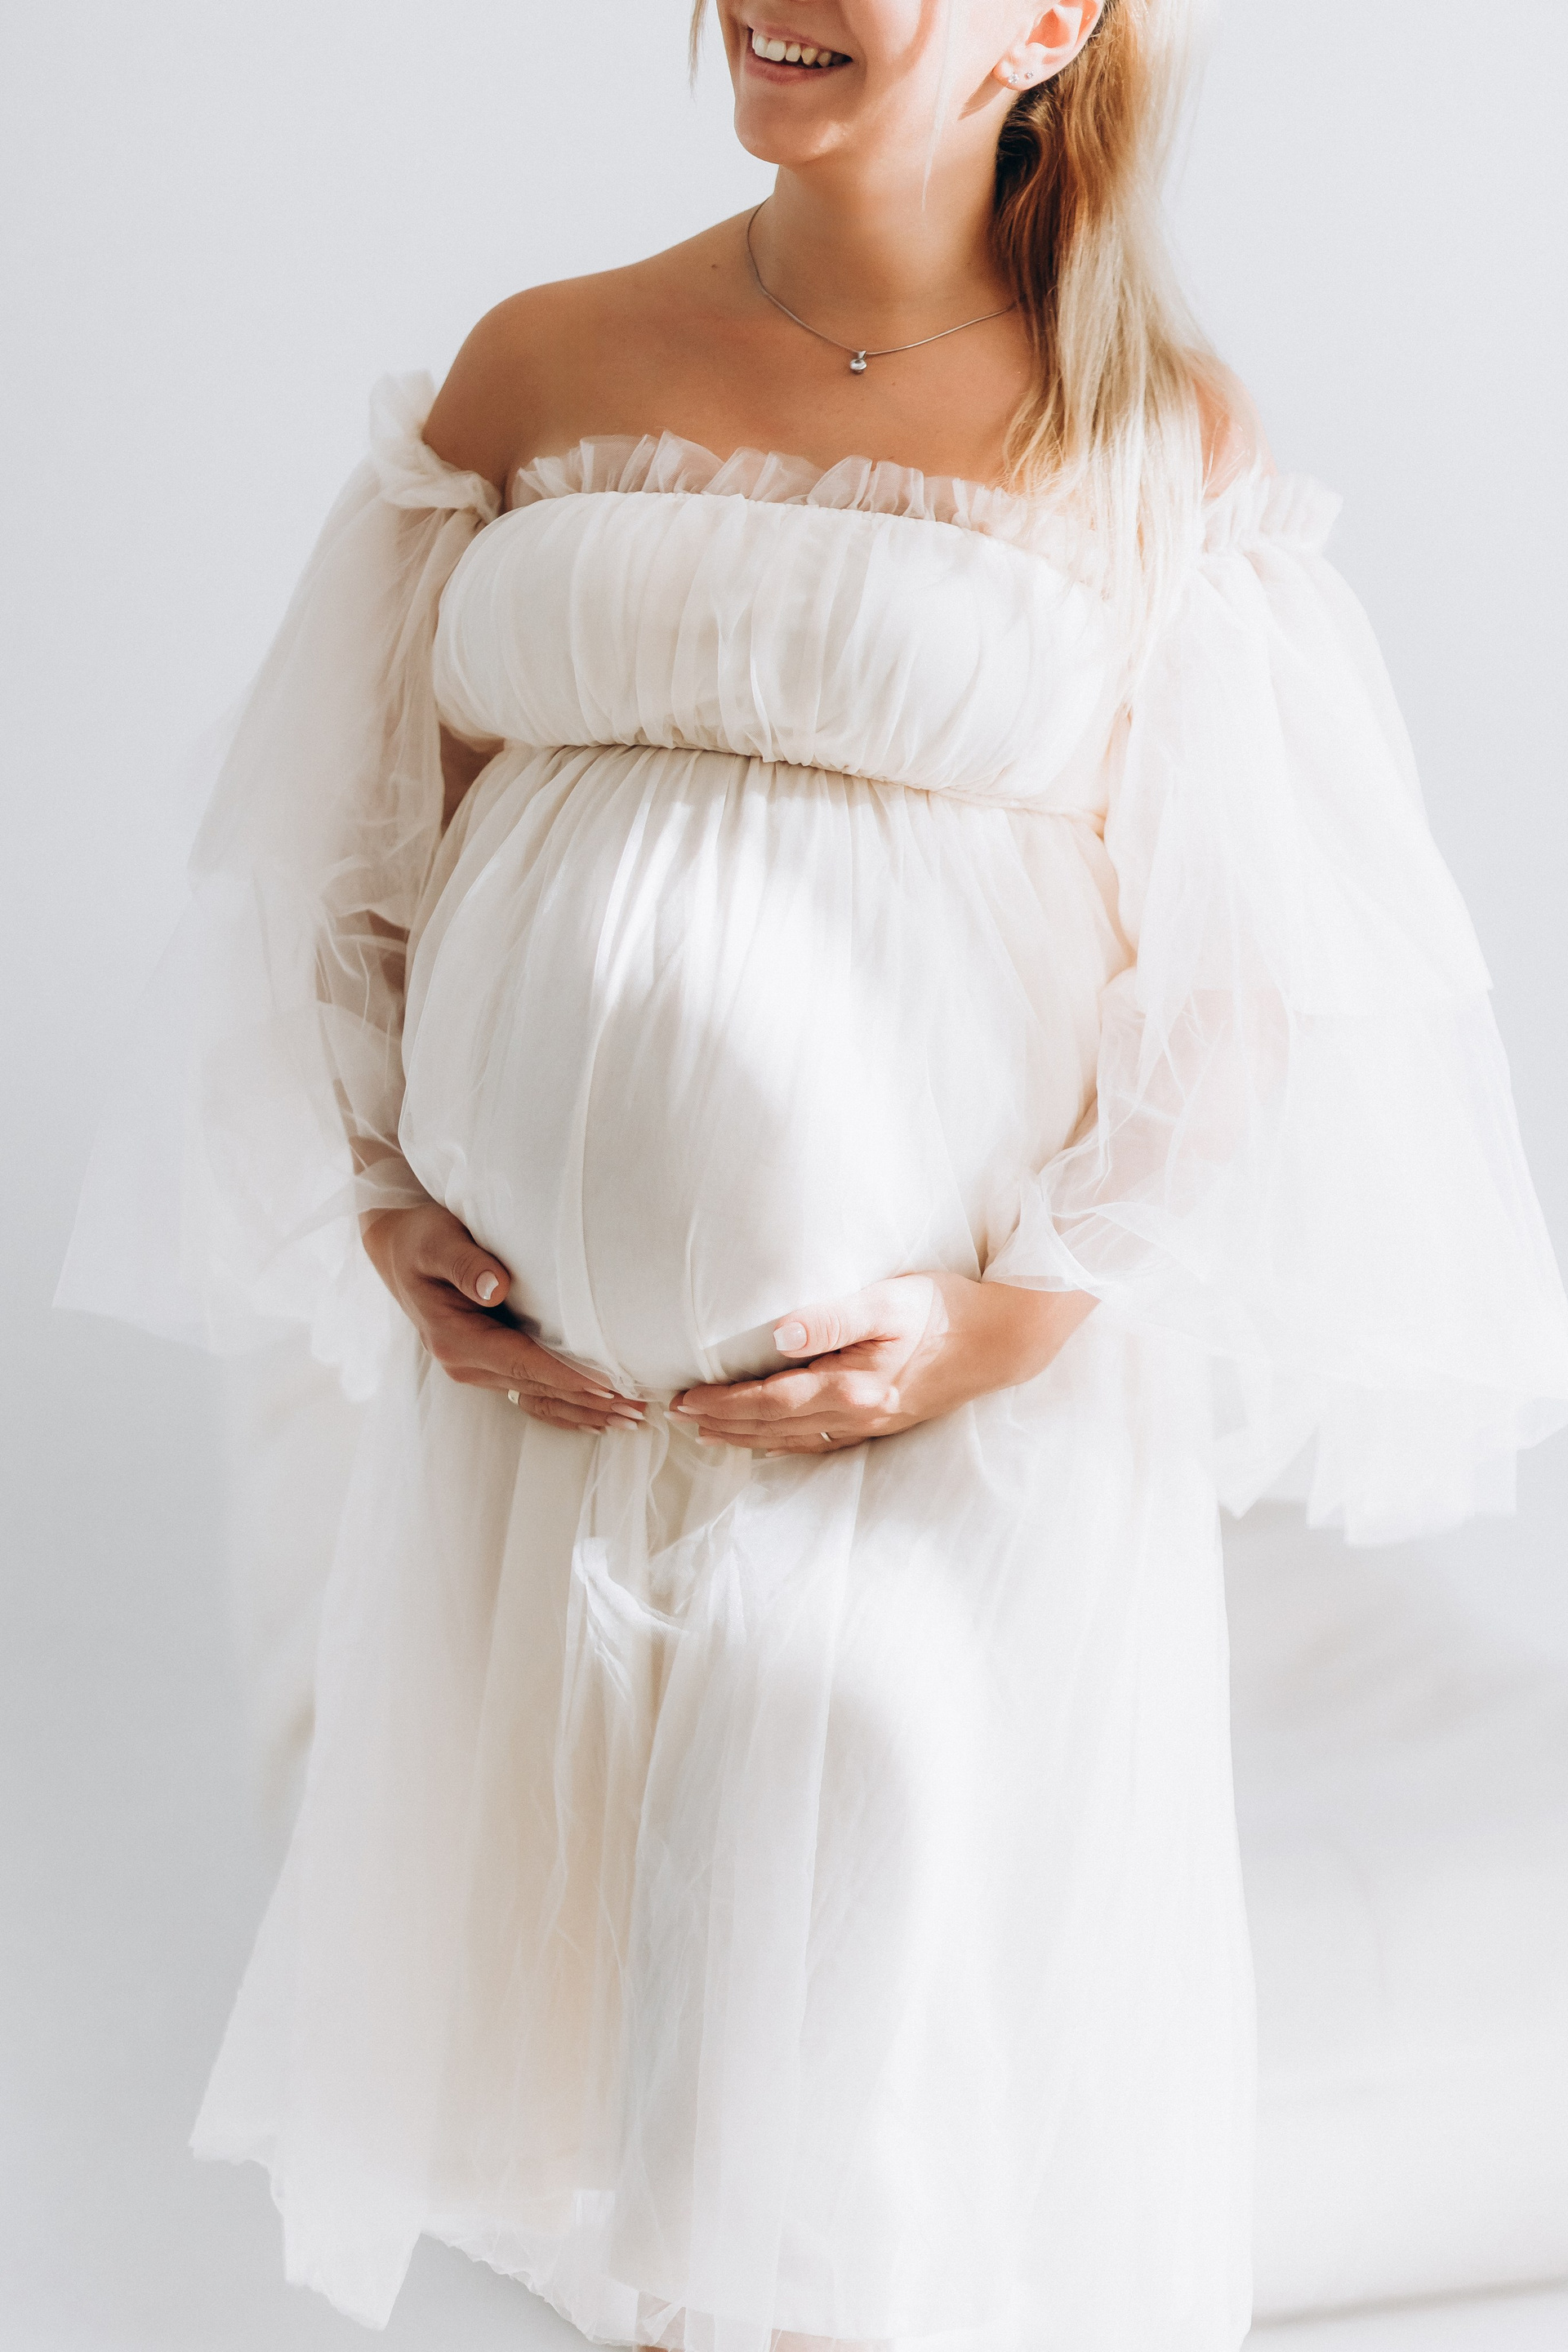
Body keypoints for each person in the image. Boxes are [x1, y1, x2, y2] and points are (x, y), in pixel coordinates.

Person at [59, 2, 1568, 2346]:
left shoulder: (1148, 435)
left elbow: (1242, 981)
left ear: (1048, 26)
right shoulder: (538, 366)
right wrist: (381, 1188)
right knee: (629, 2132)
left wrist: (1016, 1314)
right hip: (561, 1417)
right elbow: (360, 843)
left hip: (924, 1408)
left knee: (841, 2108)